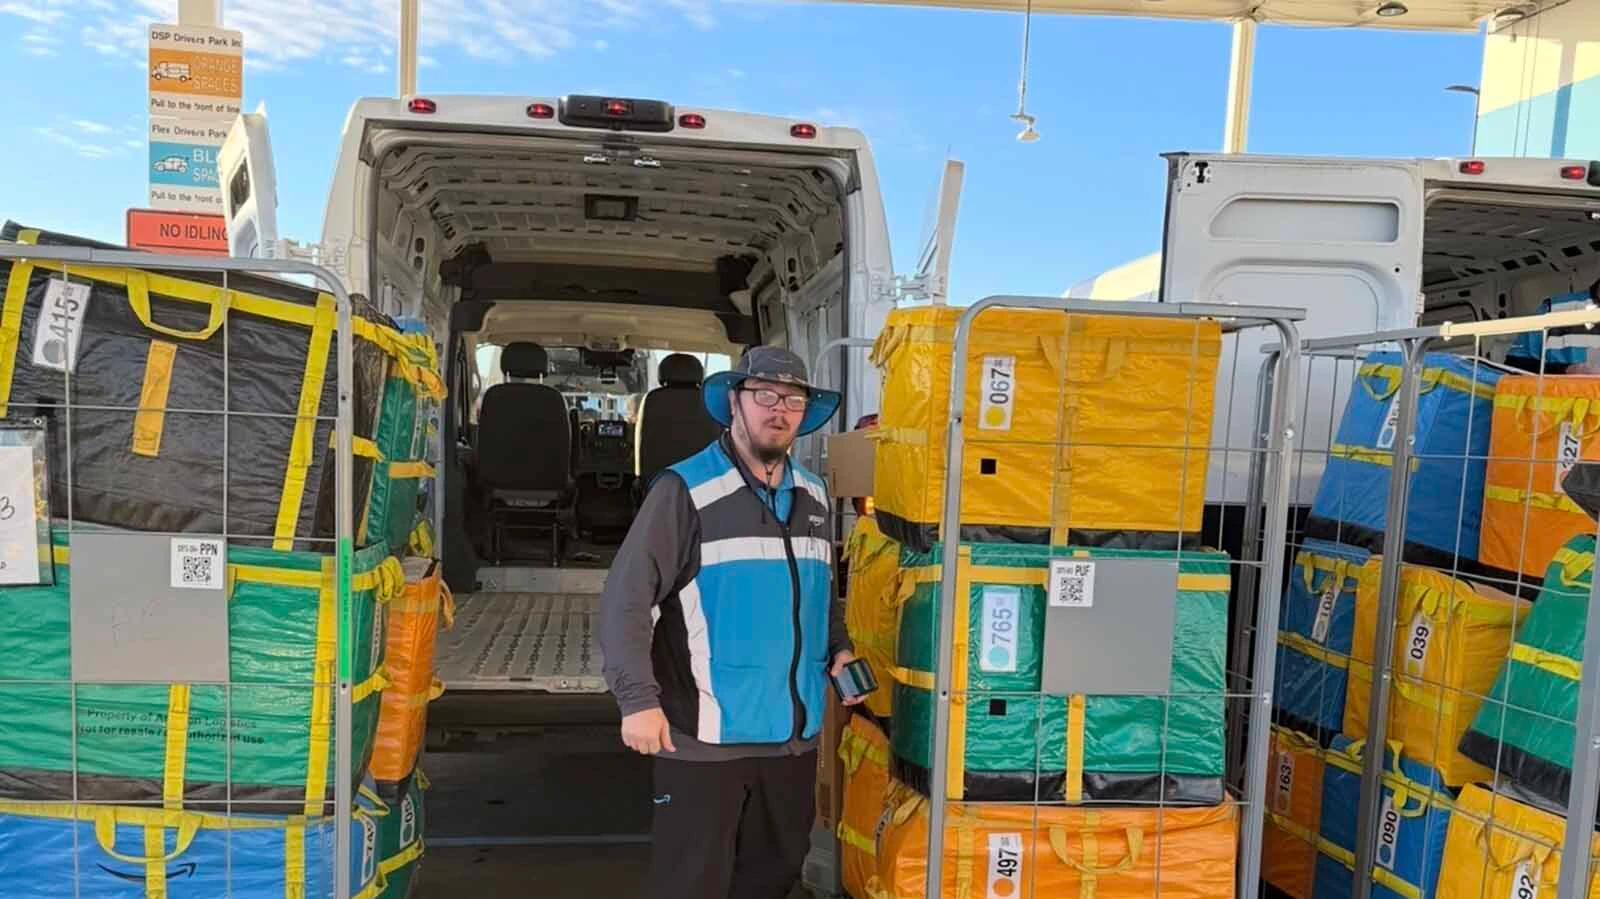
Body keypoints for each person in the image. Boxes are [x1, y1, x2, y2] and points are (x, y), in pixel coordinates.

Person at [599, 345, 862, 899]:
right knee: (691, 883)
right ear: (735, 403)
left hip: (792, 740)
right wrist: (637, 701)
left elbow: (820, 594)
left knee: (775, 875)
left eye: (792, 399)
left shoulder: (814, 494)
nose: (779, 409)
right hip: (704, 739)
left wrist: (838, 647)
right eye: (764, 394)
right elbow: (626, 599)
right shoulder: (684, 489)